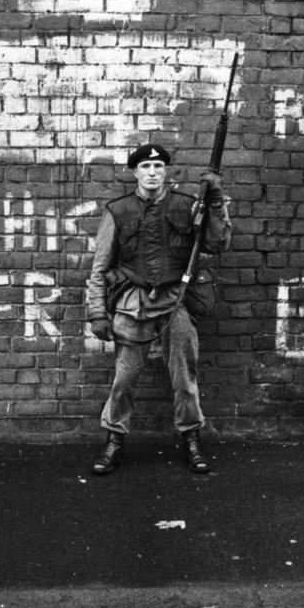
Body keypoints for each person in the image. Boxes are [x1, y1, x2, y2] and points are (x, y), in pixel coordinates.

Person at [86, 143, 232, 475]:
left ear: (165, 171)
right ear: (134, 172)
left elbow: (217, 243)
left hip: (175, 301)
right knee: (124, 380)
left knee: (185, 379)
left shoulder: (187, 206)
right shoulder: (118, 211)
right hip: (131, 306)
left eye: (158, 166)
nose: (152, 172)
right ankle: (114, 441)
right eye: (146, 166)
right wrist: (98, 313)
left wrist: (215, 201)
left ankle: (192, 439)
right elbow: (99, 268)